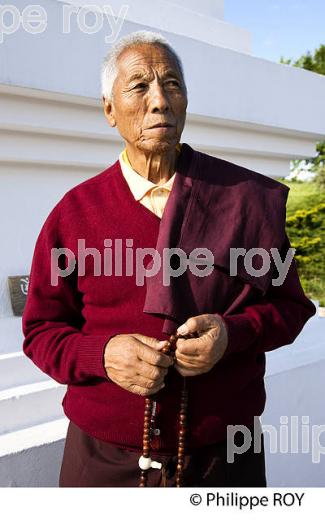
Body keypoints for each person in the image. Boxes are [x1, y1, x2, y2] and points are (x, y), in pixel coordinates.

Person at [22, 31, 316, 487]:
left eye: (172, 84)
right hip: (103, 461)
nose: (159, 100)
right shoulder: (75, 214)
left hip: (224, 459)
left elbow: (291, 308)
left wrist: (231, 334)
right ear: (109, 110)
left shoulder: (242, 200)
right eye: (138, 86)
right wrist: (102, 354)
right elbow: (42, 330)